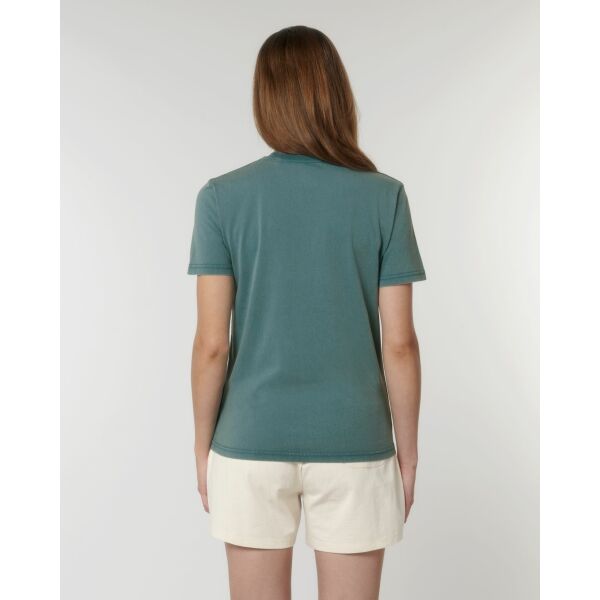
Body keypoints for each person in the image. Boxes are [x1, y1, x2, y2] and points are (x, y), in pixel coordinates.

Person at [188, 25, 426, 600]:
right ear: (336, 94)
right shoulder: (384, 196)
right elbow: (399, 345)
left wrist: (202, 447)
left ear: (265, 99)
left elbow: (212, 344)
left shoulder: (221, 198)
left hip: (249, 440)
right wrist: (408, 454)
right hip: (356, 442)